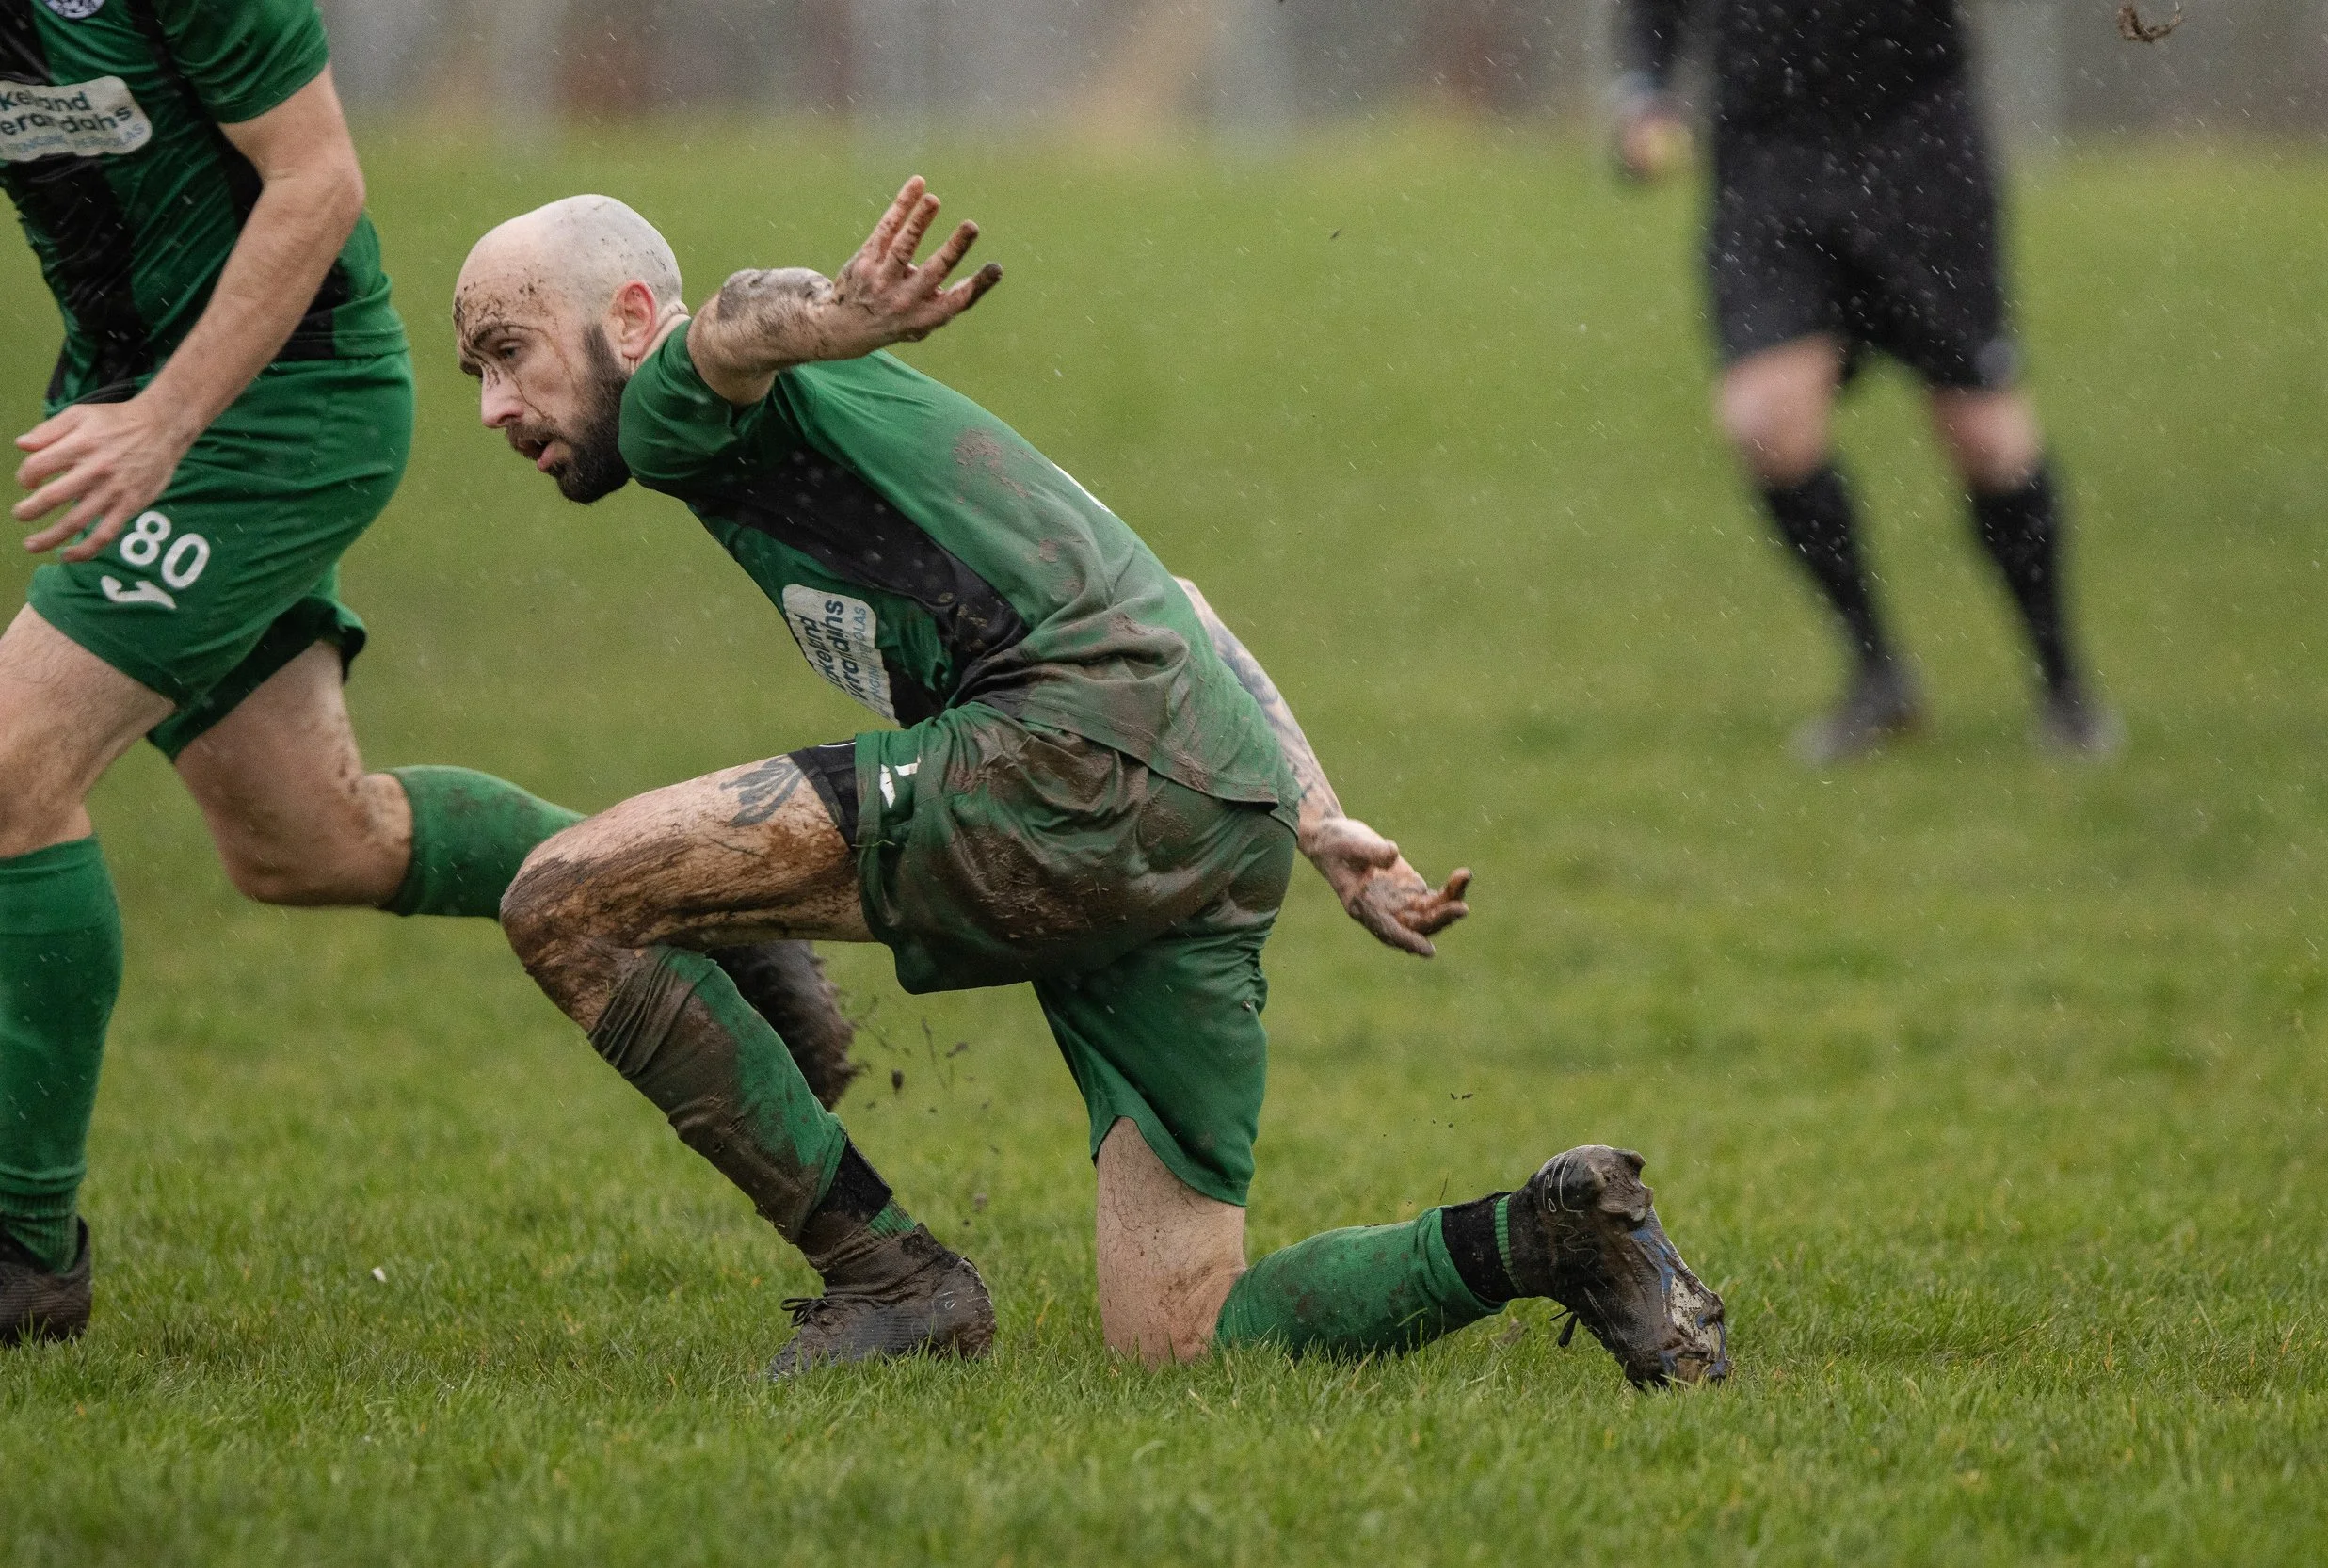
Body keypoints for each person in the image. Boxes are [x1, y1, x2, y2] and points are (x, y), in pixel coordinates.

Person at [451, 179, 1734, 1384]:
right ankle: (1549, 1234)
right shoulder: (894, 422)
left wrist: (825, 312)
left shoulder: (680, 405)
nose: (494, 409)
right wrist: (1315, 814)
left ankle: (889, 1275)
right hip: (1214, 801)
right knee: (1183, 1338)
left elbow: (732, 319)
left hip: (1067, 761)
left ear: (625, 318)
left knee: (565, 901)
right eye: (477, 372)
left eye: (510, 352)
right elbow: (1182, 602)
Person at [0, 0, 853, 1348]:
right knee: (303, 838)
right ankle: (692, 902)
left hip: (278, 407)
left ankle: (19, 1251)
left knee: (10, 769)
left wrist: (165, 423)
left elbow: (320, 179)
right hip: (120, 406)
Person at [1614, 0, 2121, 762]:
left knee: (1986, 438)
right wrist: (1642, 92)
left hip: (1916, 140)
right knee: (1764, 419)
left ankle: (2063, 685)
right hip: (1767, 161)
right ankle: (1879, 673)